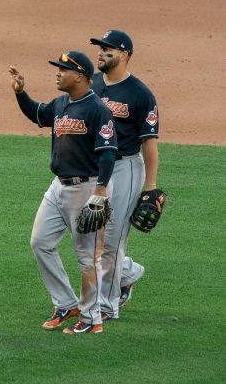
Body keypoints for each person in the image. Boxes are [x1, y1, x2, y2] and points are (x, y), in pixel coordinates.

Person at [9, 50, 117, 334]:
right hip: (58, 186)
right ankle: (66, 303)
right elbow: (37, 114)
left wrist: (101, 190)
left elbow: (107, 153)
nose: (57, 72)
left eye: (63, 69)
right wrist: (21, 93)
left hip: (87, 188)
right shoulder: (60, 104)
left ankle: (91, 318)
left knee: (86, 256)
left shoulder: (98, 110)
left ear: (81, 76)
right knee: (40, 242)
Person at [89, 30, 160, 319]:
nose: (102, 52)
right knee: (88, 234)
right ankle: (127, 272)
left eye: (109, 49)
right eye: (100, 48)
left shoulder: (140, 94)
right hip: (95, 168)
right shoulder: (91, 84)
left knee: (110, 239)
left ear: (124, 54)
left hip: (126, 166)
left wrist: (151, 188)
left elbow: (150, 143)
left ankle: (107, 305)